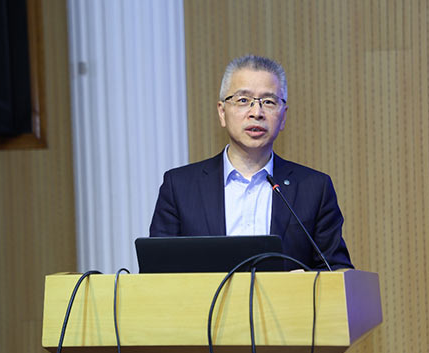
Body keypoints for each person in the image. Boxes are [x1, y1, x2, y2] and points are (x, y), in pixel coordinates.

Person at [149, 55, 352, 270]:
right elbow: (157, 272)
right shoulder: (180, 187)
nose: (256, 113)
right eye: (243, 100)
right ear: (222, 112)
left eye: (268, 102)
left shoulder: (314, 188)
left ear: (283, 116)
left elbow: (337, 272)